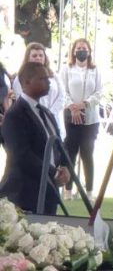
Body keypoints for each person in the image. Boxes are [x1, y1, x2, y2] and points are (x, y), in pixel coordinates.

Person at [0, 61, 70, 214]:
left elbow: (58, 145)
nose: (48, 83)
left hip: (48, 193)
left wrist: (65, 167)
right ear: (26, 82)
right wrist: (53, 172)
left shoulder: (46, 113)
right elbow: (21, 155)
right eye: (42, 79)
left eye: (48, 78)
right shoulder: (15, 115)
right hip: (23, 195)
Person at [58, 38, 103, 200]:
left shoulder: (95, 70)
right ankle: (67, 190)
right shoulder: (66, 69)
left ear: (89, 52)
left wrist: (84, 104)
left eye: (84, 48)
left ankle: (89, 190)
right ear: (74, 51)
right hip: (71, 117)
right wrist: (73, 107)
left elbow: (99, 93)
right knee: (70, 153)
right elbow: (63, 91)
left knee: (87, 153)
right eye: (78, 48)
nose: (81, 50)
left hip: (90, 118)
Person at [13, 42, 67, 139]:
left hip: (53, 119)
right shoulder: (20, 78)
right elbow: (21, 99)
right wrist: (38, 115)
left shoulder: (54, 76)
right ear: (28, 58)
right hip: (31, 121)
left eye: (41, 55)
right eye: (34, 55)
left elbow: (62, 97)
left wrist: (49, 113)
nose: (38, 58)